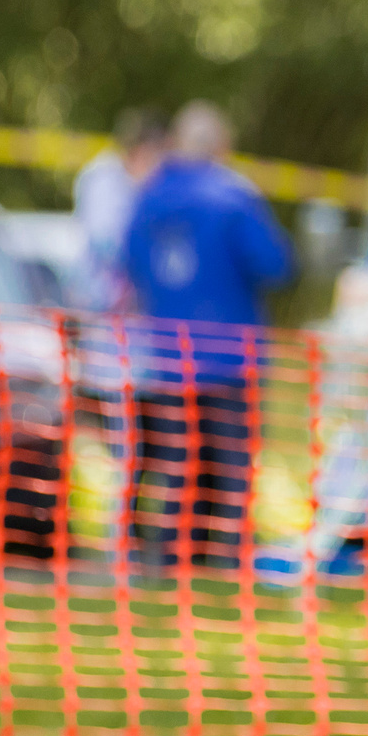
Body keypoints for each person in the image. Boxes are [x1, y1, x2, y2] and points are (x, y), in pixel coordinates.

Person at [121, 101, 294, 568]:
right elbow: (275, 264)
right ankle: (227, 561)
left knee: (178, 465)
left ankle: (171, 559)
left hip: (170, 357)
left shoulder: (148, 197)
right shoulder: (234, 196)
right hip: (230, 358)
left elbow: (128, 264)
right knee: (233, 467)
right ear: (221, 145)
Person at [72, 108, 165, 312]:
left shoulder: (139, 184)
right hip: (99, 302)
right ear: (140, 151)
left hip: (124, 303)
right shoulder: (103, 180)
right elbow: (105, 242)